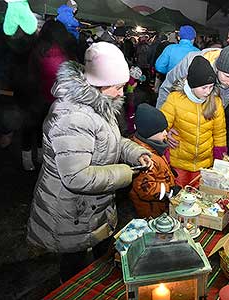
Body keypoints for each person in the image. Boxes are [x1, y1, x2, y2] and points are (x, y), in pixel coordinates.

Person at [26, 42, 153, 282]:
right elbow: (76, 177)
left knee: (96, 265)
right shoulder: (73, 116)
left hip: (93, 204)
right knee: (74, 271)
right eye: (118, 87)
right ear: (100, 83)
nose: (121, 92)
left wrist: (136, 152)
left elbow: (111, 141)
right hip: (70, 210)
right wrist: (127, 172)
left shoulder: (100, 104)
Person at [160, 56, 227, 187]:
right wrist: (165, 134)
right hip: (178, 163)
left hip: (204, 164)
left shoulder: (216, 103)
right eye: (204, 88)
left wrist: (219, 158)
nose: (208, 92)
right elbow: (161, 124)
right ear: (192, 85)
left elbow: (219, 133)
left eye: (211, 87)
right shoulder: (175, 99)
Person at [22, 20, 77, 170]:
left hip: (34, 95)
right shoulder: (65, 52)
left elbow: (30, 72)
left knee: (30, 128)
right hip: (54, 99)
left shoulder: (36, 49)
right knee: (45, 129)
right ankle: (41, 156)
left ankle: (27, 159)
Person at [129, 103, 179, 218]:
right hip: (151, 211)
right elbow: (146, 189)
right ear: (149, 133)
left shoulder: (155, 147)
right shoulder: (145, 159)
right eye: (161, 131)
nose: (166, 133)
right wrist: (169, 190)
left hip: (160, 206)